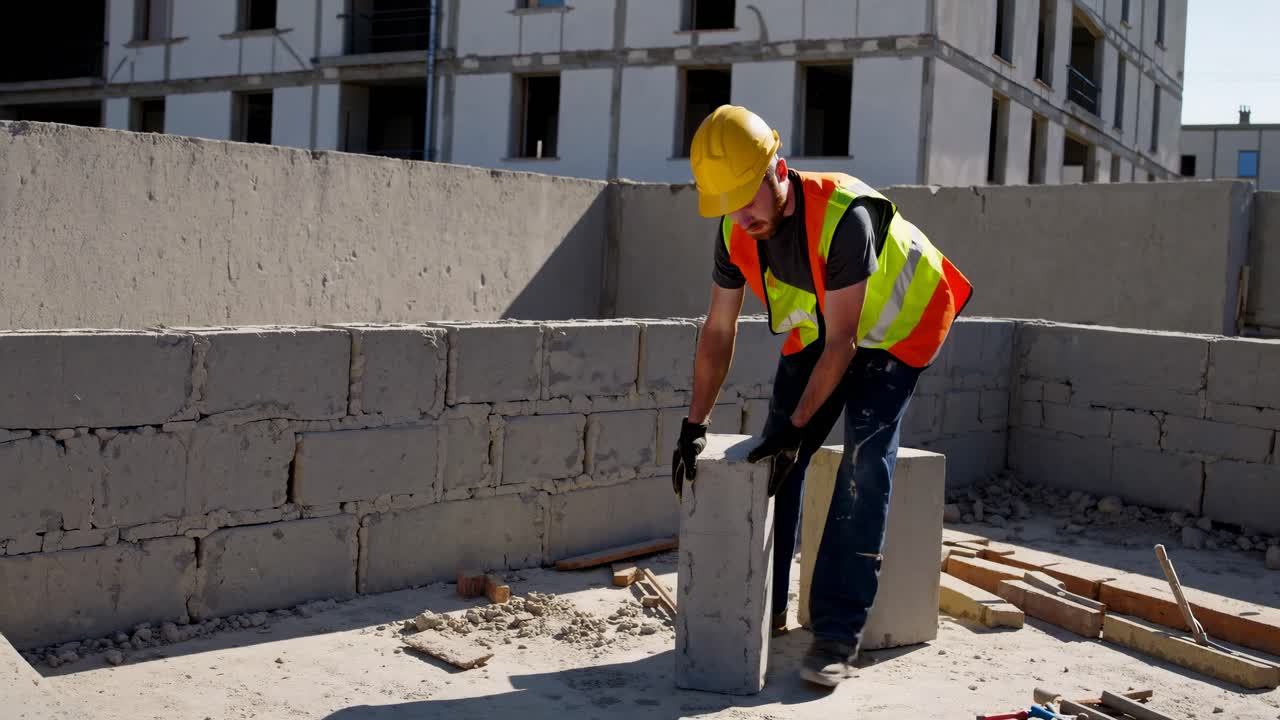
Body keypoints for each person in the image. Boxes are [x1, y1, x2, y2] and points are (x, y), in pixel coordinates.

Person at [668, 105, 972, 688]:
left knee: (863, 458)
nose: (741, 214)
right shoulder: (736, 228)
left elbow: (846, 344)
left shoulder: (844, 217)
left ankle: (836, 633)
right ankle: (769, 609)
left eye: (746, 196)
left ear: (778, 169)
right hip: (827, 324)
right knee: (774, 458)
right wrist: (693, 424)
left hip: (899, 328)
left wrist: (797, 428)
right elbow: (718, 330)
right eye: (727, 202)